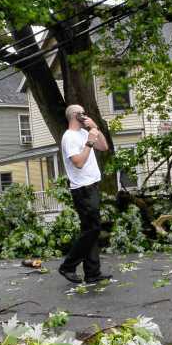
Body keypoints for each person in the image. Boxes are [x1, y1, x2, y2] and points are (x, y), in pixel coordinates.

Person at [58, 104, 111, 284]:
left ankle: (92, 273)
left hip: (92, 186)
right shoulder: (69, 138)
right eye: (82, 113)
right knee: (93, 229)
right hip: (82, 189)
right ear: (75, 116)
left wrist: (95, 128)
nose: (85, 115)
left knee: (91, 231)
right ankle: (68, 266)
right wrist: (89, 142)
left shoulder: (83, 133)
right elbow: (78, 163)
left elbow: (104, 147)